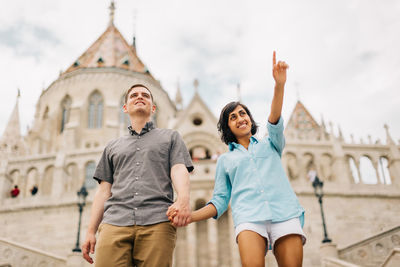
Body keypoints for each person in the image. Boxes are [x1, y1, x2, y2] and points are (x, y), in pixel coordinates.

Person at [168, 51, 306, 267]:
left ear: (250, 119)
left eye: (243, 114)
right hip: (249, 219)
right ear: (228, 127)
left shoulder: (272, 144)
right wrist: (190, 216)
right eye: (233, 117)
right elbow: (220, 200)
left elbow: (275, 120)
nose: (240, 118)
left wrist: (279, 86)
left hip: (284, 213)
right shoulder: (225, 160)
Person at [82, 84, 193, 267]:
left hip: (157, 221)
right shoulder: (112, 146)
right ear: (125, 107)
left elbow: (179, 169)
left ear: (153, 108)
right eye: (134, 95)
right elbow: (103, 192)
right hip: (114, 223)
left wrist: (183, 199)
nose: (139, 97)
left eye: (145, 95)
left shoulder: (171, 137)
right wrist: (90, 231)